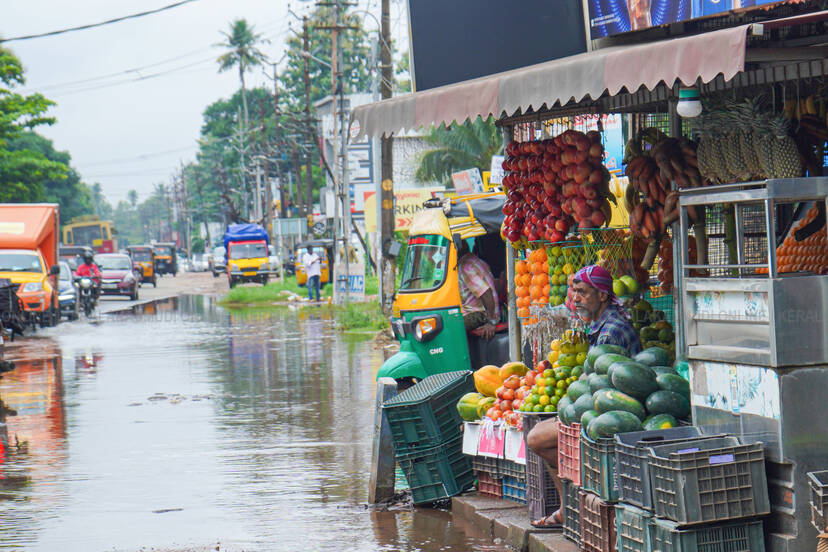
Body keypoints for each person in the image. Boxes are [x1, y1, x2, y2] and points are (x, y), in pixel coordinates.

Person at [526, 264, 641, 528]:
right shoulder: (602, 323)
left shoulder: (612, 330)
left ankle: (573, 502)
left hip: (613, 415)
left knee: (537, 439)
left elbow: (604, 384)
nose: (575, 298)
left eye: (581, 292)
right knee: (546, 436)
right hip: (600, 408)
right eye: (574, 292)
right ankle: (573, 503)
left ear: (601, 295)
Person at [457, 239, 499, 340]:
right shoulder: (476, 260)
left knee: (450, 326)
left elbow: (486, 293)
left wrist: (492, 322)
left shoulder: (465, 267)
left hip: (481, 314)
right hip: (484, 312)